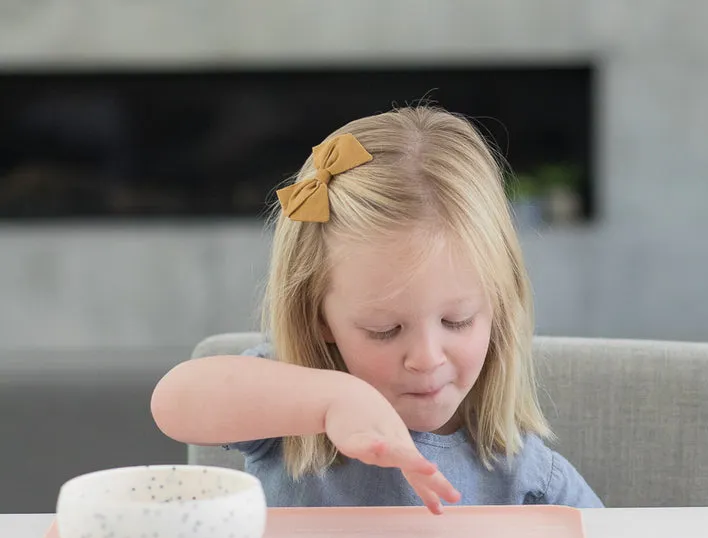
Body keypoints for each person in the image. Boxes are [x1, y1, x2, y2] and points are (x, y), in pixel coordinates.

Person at [151, 105, 603, 513]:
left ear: (499, 307)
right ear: (318, 318)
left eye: (457, 321)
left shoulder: (519, 469)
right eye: (384, 329)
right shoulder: (289, 414)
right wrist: (333, 401)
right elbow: (174, 402)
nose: (427, 357)